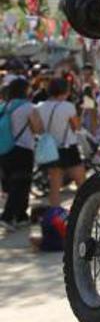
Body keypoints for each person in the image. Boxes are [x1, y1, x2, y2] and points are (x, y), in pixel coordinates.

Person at [37, 76, 84, 208]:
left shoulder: (40, 106)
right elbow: (77, 127)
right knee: (81, 182)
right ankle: (84, 211)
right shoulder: (68, 107)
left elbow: (39, 129)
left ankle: (55, 215)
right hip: (68, 147)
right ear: (65, 91)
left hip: (51, 149)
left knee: (55, 185)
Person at [0, 77, 41, 228]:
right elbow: (38, 129)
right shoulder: (29, 107)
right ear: (25, 90)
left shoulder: (5, 106)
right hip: (23, 149)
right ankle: (8, 216)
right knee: (21, 184)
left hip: (5, 149)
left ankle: (21, 216)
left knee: (13, 184)